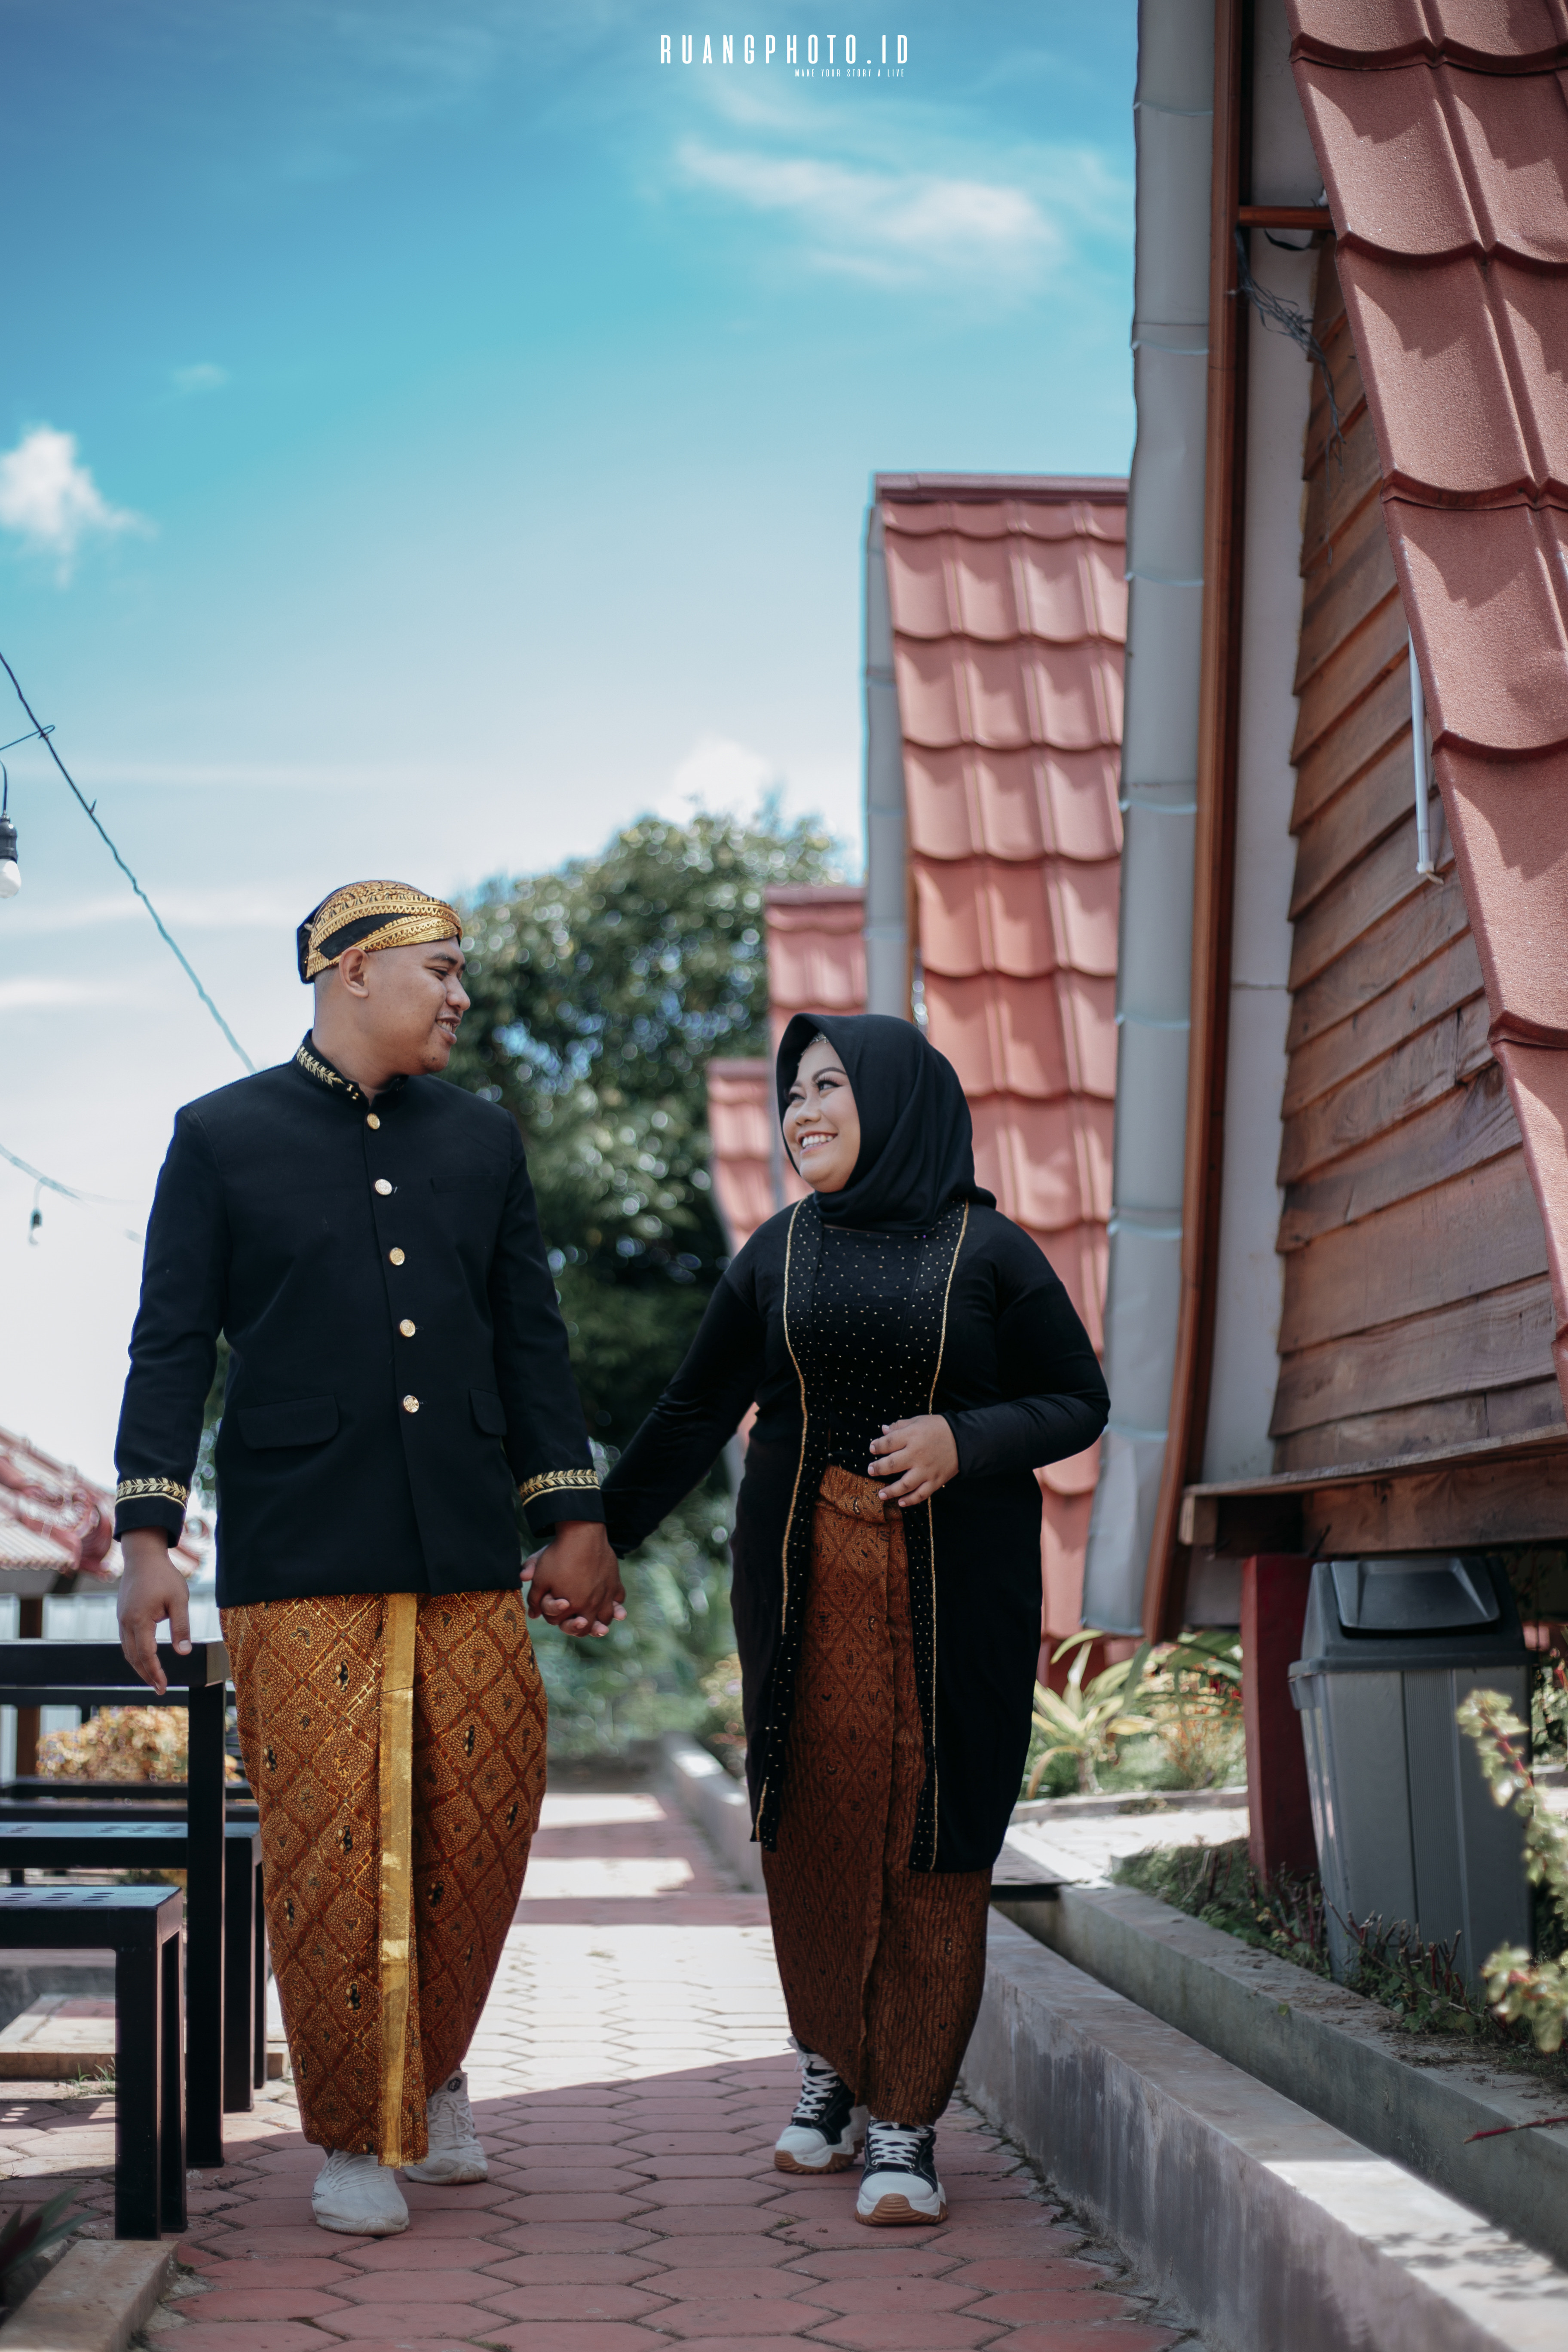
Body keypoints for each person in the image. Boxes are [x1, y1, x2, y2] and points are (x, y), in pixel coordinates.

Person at [113, 879, 622, 2238]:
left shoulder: (484, 1140)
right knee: (336, 1845)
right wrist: (148, 1537)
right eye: (439, 970)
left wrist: (572, 1515)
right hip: (298, 1550)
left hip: (462, 1538)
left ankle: (429, 2068)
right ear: (351, 971)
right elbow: (171, 1343)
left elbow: (530, 1338)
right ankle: (353, 2133)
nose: (461, 995)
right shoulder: (220, 1137)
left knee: (488, 1811)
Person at [603, 1013, 1109, 2225]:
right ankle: (832, 2066)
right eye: (792, 1093)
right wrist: (594, 1535)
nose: (803, 1111)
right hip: (803, 1588)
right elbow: (693, 1411)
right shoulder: (777, 1254)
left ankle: (907, 2123)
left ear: (900, 1102)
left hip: (955, 1599)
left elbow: (1077, 1398)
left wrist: (963, 1439)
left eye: (829, 1085)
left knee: (935, 1835)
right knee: (815, 1822)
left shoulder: (991, 1252)